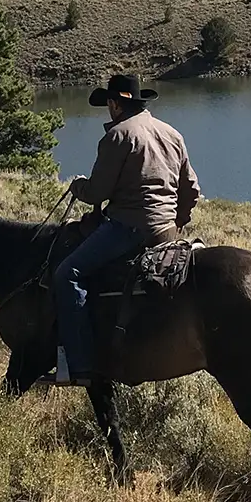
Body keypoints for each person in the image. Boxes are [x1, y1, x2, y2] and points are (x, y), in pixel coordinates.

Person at [54, 74, 200, 384]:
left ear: (115, 104)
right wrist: (176, 222)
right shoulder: (172, 133)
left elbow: (98, 192)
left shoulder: (118, 136)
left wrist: (79, 187)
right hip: (166, 232)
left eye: (108, 104)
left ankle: (80, 366)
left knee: (68, 274)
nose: (108, 110)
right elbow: (191, 190)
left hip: (128, 229)